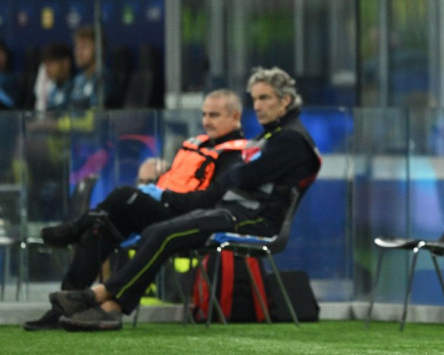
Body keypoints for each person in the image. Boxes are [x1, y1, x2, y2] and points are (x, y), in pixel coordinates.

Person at [47, 67, 322, 331]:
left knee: (162, 231)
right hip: (231, 212)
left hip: (252, 220)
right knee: (144, 226)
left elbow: (244, 177)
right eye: (256, 99)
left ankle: (101, 301)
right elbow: (242, 176)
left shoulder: (291, 140)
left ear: (285, 100)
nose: (258, 106)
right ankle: (99, 301)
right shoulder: (275, 135)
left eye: (265, 98)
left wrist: (234, 176)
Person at [22, 89, 249, 331]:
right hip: (166, 209)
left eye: (214, 115)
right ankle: (62, 308)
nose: (206, 121)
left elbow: (210, 200)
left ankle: (76, 228)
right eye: (204, 114)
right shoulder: (198, 144)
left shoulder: (236, 155)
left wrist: (163, 196)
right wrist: (158, 185)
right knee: (100, 227)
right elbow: (179, 180)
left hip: (191, 219)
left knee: (125, 195)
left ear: (235, 116)